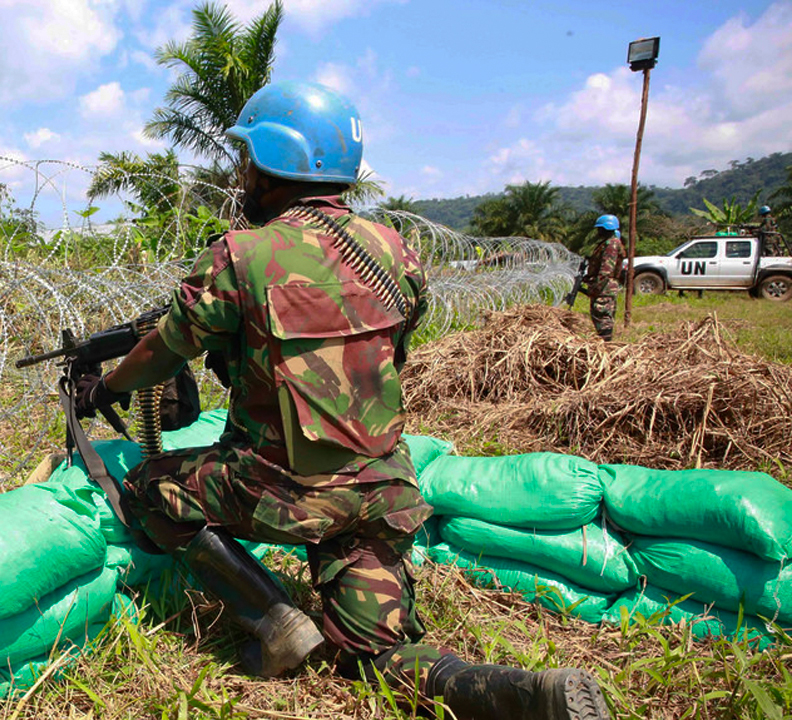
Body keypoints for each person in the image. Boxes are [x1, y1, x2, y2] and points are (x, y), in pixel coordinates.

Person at [73, 81, 611, 720]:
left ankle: (274, 618)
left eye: (247, 159)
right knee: (373, 654)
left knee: (147, 488)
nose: (241, 173)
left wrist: (104, 388)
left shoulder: (242, 257)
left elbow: (164, 352)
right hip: (381, 492)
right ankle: (520, 693)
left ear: (273, 162)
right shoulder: (394, 251)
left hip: (281, 490)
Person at [585, 215, 624, 342]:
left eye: (600, 229)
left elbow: (606, 270)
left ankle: (606, 346)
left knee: (603, 317)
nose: (598, 232)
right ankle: (605, 343)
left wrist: (596, 287)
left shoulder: (611, 244)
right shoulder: (609, 243)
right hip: (606, 286)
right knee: (601, 317)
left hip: (605, 287)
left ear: (606, 228)